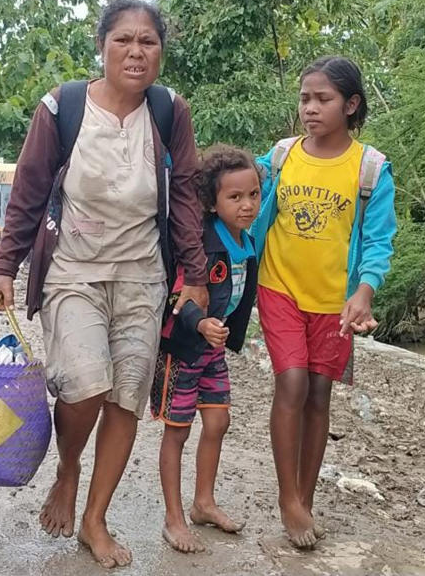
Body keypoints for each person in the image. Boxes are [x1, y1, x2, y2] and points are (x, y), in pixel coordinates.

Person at [0, 0, 208, 569]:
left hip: (142, 274)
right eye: (123, 40)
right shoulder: (61, 107)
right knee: (85, 386)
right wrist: (3, 268)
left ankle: (95, 517)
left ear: (161, 50)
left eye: (149, 42)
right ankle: (67, 468)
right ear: (102, 45)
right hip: (73, 270)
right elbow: (29, 191)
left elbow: (183, 195)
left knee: (126, 398)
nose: (136, 52)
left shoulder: (169, 112)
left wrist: (196, 275)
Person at [250, 56, 397, 548]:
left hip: (335, 303)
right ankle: (287, 498)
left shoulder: (371, 169)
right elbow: (250, 208)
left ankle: (305, 499)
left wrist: (364, 291)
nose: (310, 108)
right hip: (279, 287)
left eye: (322, 99)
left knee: (318, 394)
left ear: (350, 104)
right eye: (305, 98)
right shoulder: (282, 156)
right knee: (290, 381)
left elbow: (379, 241)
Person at [151, 145, 260, 553]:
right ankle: (174, 518)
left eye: (252, 195)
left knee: (217, 423)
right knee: (177, 432)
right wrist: (201, 322)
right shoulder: (200, 243)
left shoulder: (246, 243)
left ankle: (204, 503)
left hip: (211, 351)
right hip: (180, 349)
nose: (246, 205)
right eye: (234, 197)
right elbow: (178, 295)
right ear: (212, 202)